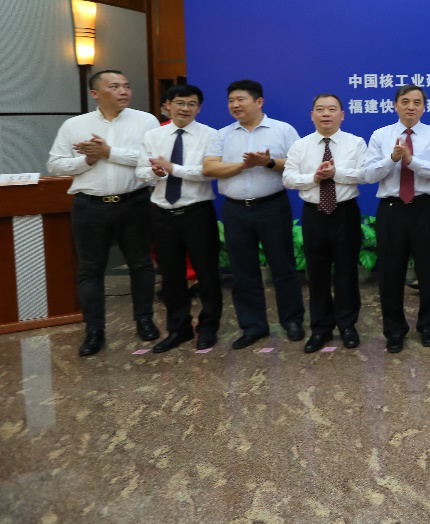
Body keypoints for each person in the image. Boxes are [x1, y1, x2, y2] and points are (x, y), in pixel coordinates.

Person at [47, 69, 160, 357]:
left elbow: (150, 160)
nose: (124, 91)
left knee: (141, 264)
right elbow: (55, 165)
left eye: (127, 86)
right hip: (90, 206)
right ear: (95, 93)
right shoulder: (74, 125)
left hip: (134, 202)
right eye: (115, 86)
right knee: (90, 270)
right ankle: (94, 330)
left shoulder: (145, 121)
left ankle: (144, 320)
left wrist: (109, 152)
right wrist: (87, 159)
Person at [203, 79, 305, 350]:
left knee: (283, 267)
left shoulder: (282, 130)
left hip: (272, 207)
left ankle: (292, 321)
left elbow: (298, 164)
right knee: (243, 270)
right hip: (235, 210)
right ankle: (253, 326)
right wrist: (244, 165)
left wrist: (268, 162)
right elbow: (210, 168)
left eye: (241, 99)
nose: (235, 105)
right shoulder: (222, 135)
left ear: (259, 101)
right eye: (231, 101)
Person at [362, 84, 430, 352]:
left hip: (424, 208)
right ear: (395, 105)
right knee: (390, 271)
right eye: (405, 101)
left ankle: (429, 325)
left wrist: (411, 161)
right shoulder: (380, 135)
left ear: (424, 107)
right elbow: (369, 175)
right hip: (392, 209)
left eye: (417, 102)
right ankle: (394, 330)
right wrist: (392, 159)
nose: (411, 106)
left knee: (428, 269)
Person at [136, 84, 222, 352]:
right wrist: (155, 173)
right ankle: (178, 329)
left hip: (197, 212)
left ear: (199, 108)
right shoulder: (153, 136)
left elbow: (207, 172)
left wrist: (173, 168)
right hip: (162, 214)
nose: (185, 108)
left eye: (192, 104)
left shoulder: (211, 135)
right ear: (168, 106)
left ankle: (208, 328)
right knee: (171, 276)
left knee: (207, 274)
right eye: (180, 103)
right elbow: (140, 172)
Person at [284, 94, 367, 352]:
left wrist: (336, 173)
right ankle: (320, 328)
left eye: (332, 109)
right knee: (316, 273)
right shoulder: (300, 146)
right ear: (312, 115)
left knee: (346, 272)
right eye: (320, 109)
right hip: (314, 214)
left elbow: (365, 174)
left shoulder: (355, 143)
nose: (326, 114)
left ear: (342, 115)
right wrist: (314, 177)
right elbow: (288, 178)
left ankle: (347, 325)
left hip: (345, 213)